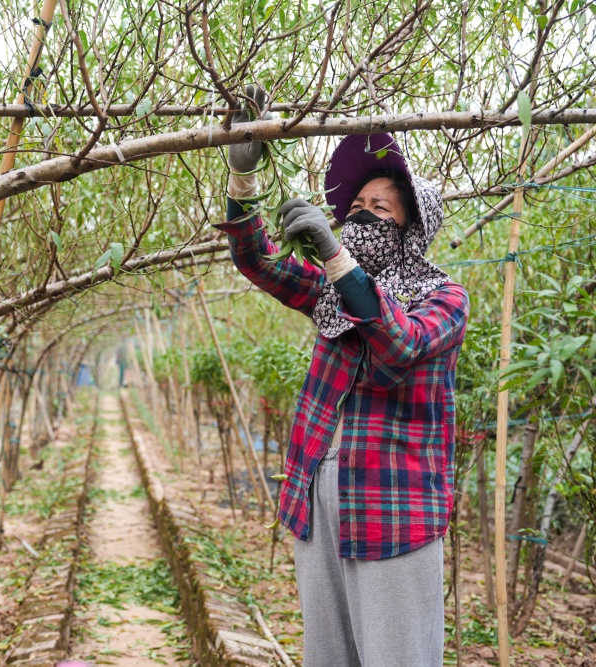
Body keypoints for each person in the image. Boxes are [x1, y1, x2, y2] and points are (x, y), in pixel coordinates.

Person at [216, 85, 469, 667]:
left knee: (396, 656)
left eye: (380, 208)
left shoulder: (444, 297)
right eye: (355, 207)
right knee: (329, 655)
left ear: (411, 230)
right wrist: (241, 178)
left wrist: (334, 255)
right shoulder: (329, 293)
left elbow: (399, 343)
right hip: (318, 494)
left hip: (392, 505)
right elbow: (257, 260)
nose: (360, 215)